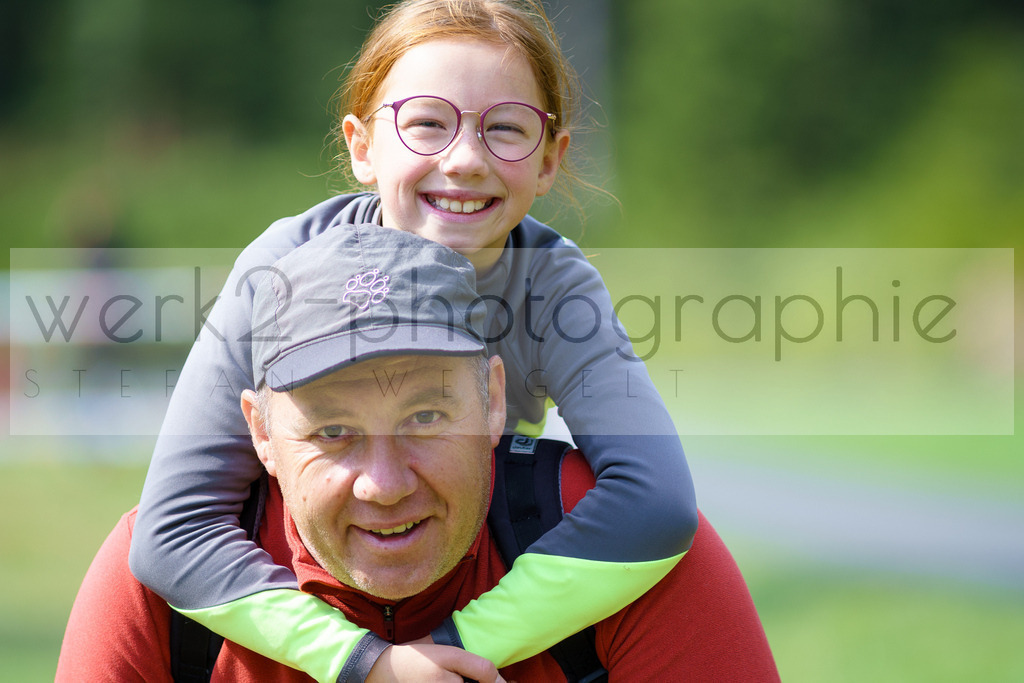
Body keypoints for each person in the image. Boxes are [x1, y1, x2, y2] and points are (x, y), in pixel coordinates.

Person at [129, 0, 699, 680]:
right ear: (362, 146)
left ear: (551, 160)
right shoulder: (280, 265)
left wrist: (461, 642)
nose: (463, 160)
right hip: (323, 584)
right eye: (427, 124)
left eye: (506, 130)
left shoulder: (555, 282)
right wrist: (365, 663)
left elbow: (656, 497)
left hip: (456, 576)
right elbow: (173, 527)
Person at [59, 227, 779, 682]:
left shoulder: (629, 556)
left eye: (427, 417)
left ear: (494, 401)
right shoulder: (157, 593)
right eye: (333, 431)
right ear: (260, 432)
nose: (383, 482)